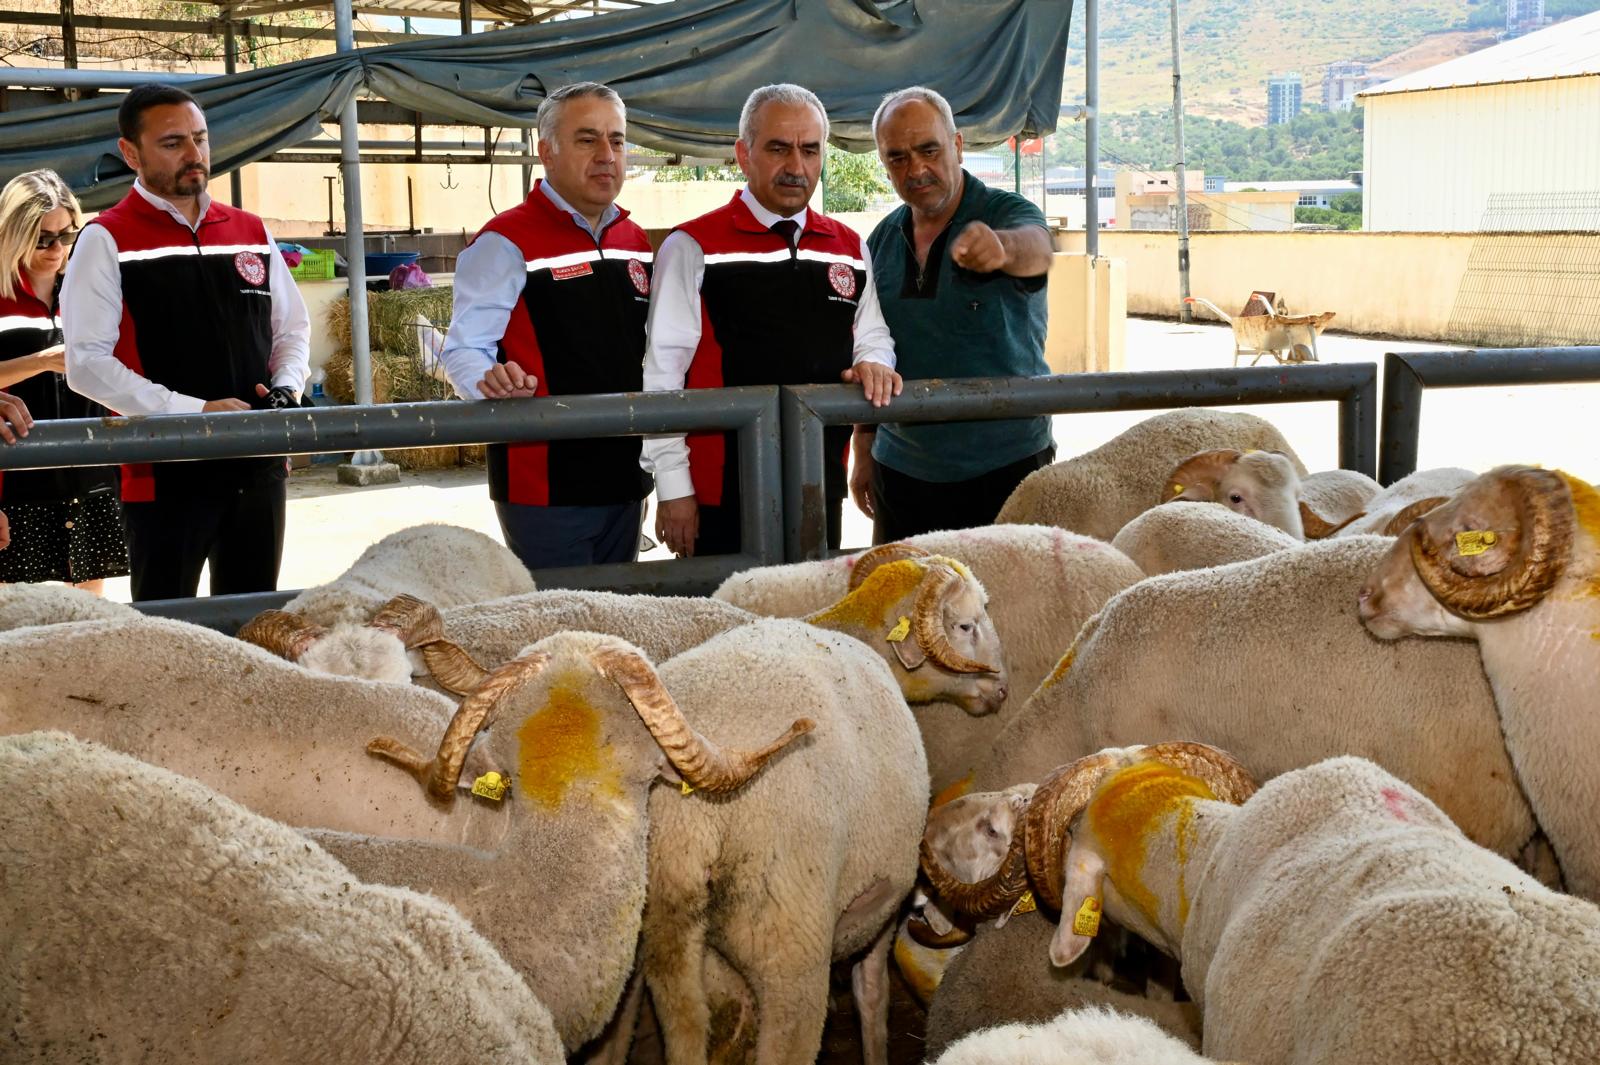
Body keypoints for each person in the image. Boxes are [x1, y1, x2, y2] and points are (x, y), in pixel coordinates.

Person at [61, 84, 309, 602]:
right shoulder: (107, 238)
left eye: (200, 138)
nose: (195, 155)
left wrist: (287, 389)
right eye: (173, 143)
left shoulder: (248, 229)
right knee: (167, 633)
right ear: (131, 153)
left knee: (253, 618)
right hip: (165, 474)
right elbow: (85, 364)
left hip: (257, 461)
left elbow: (290, 330)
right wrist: (195, 412)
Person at [642, 83, 901, 558]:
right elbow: (662, 375)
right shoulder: (692, 246)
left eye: (809, 150)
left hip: (817, 482)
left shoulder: (848, 246)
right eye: (778, 148)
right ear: (744, 154)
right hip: (719, 492)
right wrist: (674, 487)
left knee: (809, 619)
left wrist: (875, 362)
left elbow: (872, 336)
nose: (796, 167)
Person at [439, 82, 653, 571]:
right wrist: (487, 381)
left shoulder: (634, 238)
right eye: (587, 140)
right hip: (546, 485)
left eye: (617, 140)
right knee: (562, 628)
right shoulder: (506, 241)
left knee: (619, 618)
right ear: (547, 152)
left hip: (628, 474)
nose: (607, 155)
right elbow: (463, 350)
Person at [855, 86, 1057, 543]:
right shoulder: (881, 240)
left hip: (1008, 469)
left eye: (929, 150)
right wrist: (863, 447)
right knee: (903, 607)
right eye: (897, 157)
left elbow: (1038, 249)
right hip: (901, 471)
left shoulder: (1005, 212)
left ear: (958, 145)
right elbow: (870, 345)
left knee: (1005, 610)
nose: (916, 169)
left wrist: (1002, 248)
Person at [0, 170, 129, 593]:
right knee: (20, 625)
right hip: (17, 482)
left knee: (87, 623)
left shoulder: (90, 290)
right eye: (42, 238)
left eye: (66, 235)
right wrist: (42, 361)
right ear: (12, 233)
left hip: (90, 476)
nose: (57, 248)